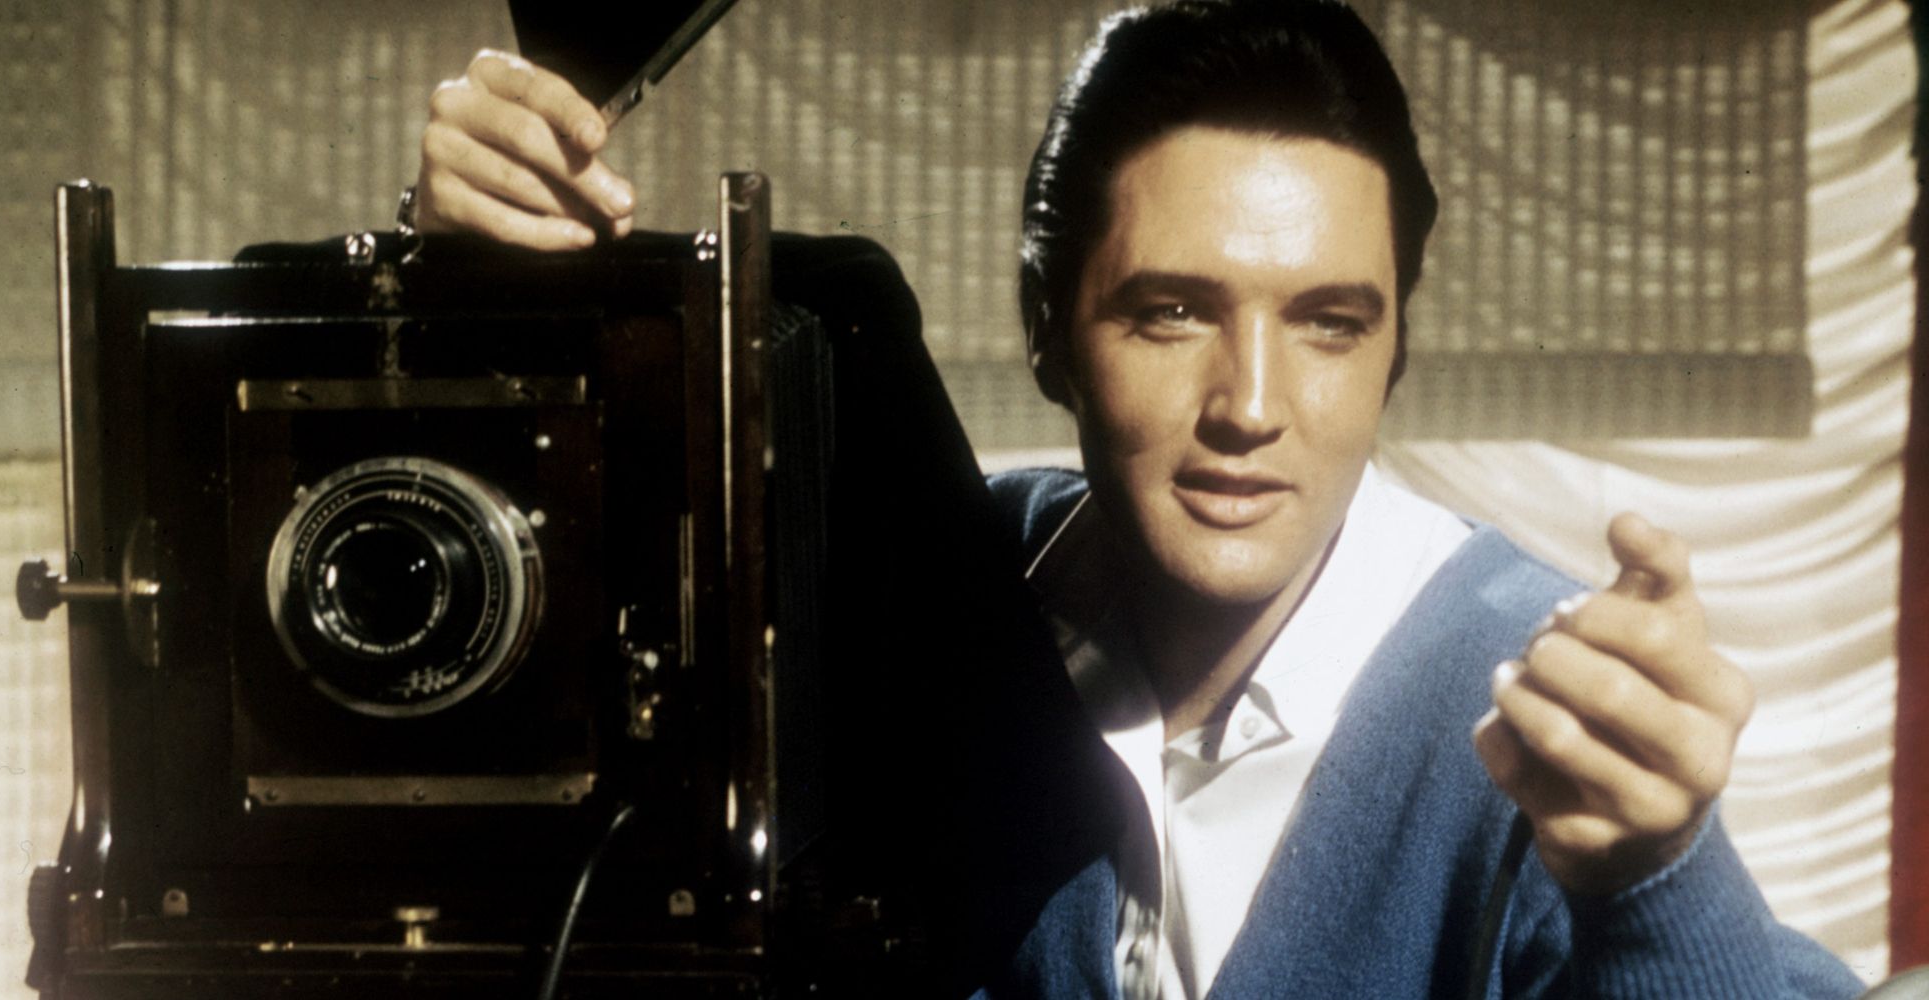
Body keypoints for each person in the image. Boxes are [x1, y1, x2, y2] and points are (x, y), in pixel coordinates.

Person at [409, 2, 1864, 996]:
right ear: (1046, 330)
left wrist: (1663, 879)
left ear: (1399, 343)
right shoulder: (947, 592)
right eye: (1171, 312)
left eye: (1331, 322)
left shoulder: (1531, 705)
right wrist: (474, 269)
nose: (1250, 404)